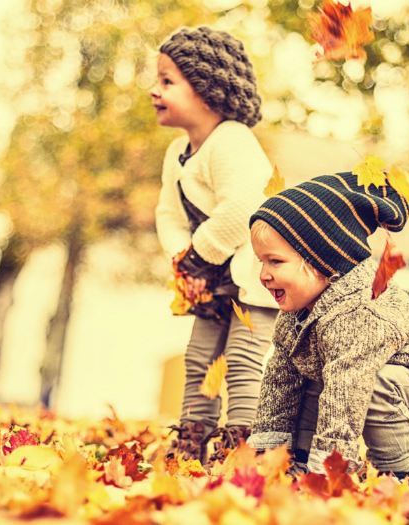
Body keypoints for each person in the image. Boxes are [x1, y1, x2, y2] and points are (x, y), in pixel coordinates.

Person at [246, 171, 409, 482]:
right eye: (261, 262)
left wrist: (331, 469)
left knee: (370, 382)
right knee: (308, 377)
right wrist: (269, 454)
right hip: (387, 387)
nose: (263, 274)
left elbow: (348, 387)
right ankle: (298, 468)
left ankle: (401, 475)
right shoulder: (297, 313)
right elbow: (280, 381)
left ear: (321, 262)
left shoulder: (361, 310)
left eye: (275, 262)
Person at [151, 26, 278, 464]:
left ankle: (243, 446)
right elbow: (168, 212)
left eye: (168, 81)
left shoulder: (232, 141)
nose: (155, 90)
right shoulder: (178, 153)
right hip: (209, 276)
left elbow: (244, 205)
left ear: (206, 91)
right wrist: (179, 255)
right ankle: (192, 438)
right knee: (200, 358)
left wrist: (199, 255)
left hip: (255, 274)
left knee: (243, 360)